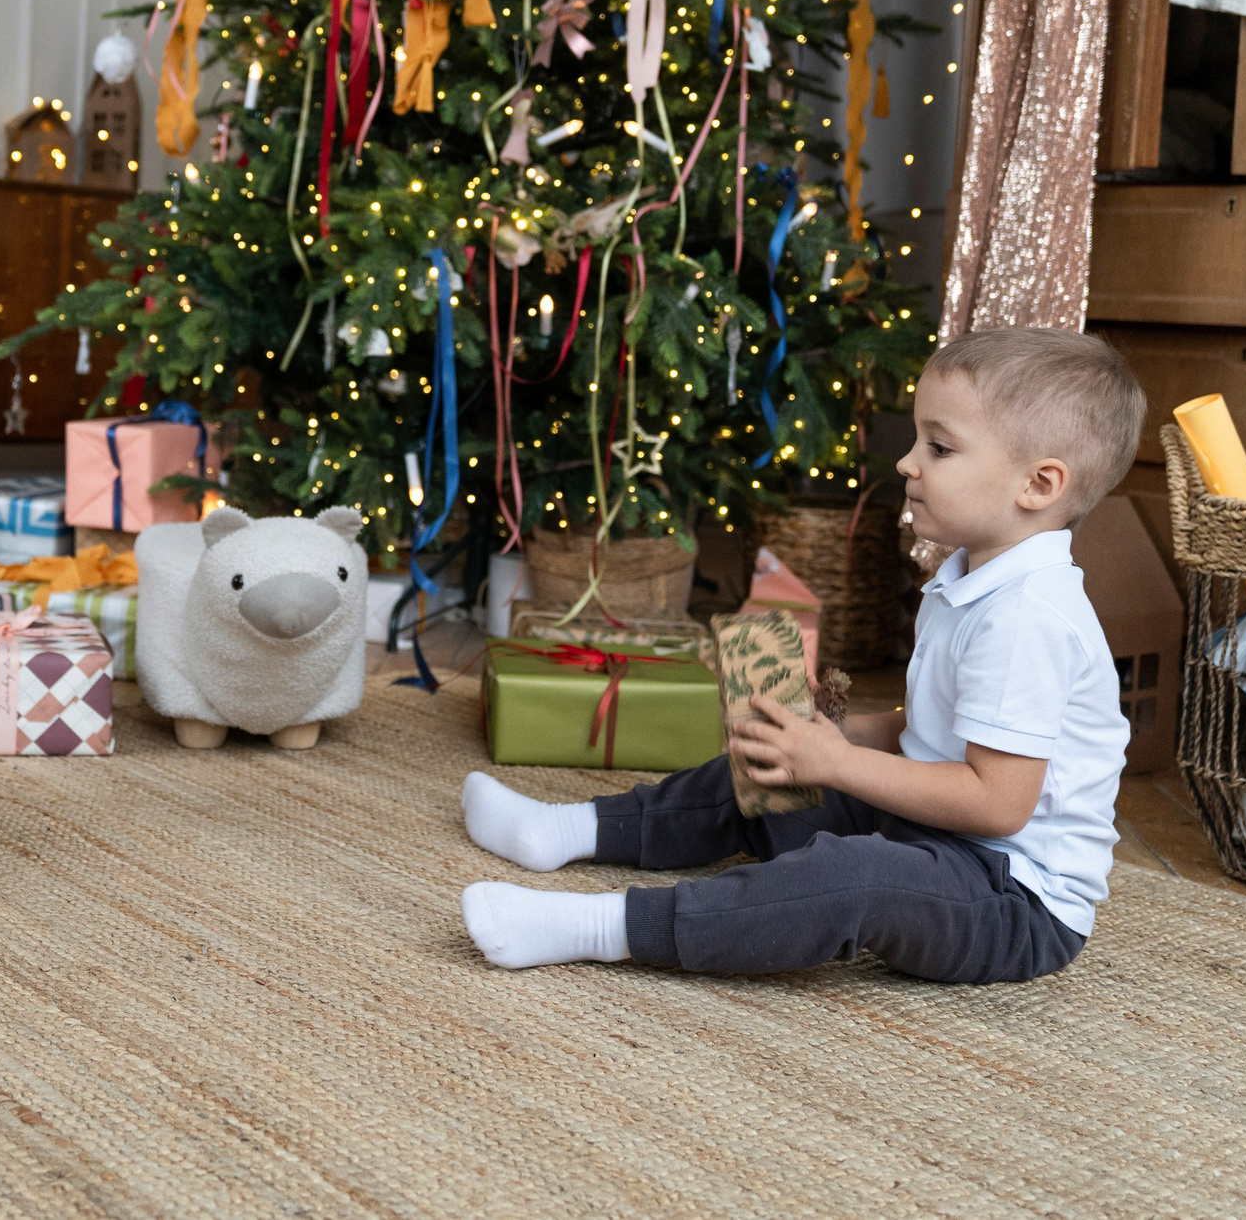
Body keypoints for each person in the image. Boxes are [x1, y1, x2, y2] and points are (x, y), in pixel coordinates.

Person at [457, 327, 1146, 981]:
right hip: (932, 826)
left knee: (853, 877)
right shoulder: (970, 574)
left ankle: (601, 927)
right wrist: (836, 735)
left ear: (1039, 485)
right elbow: (943, 729)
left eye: (939, 447)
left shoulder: (1030, 616)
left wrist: (842, 762)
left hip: (1012, 897)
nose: (907, 461)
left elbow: (998, 803)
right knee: (776, 760)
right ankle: (569, 828)